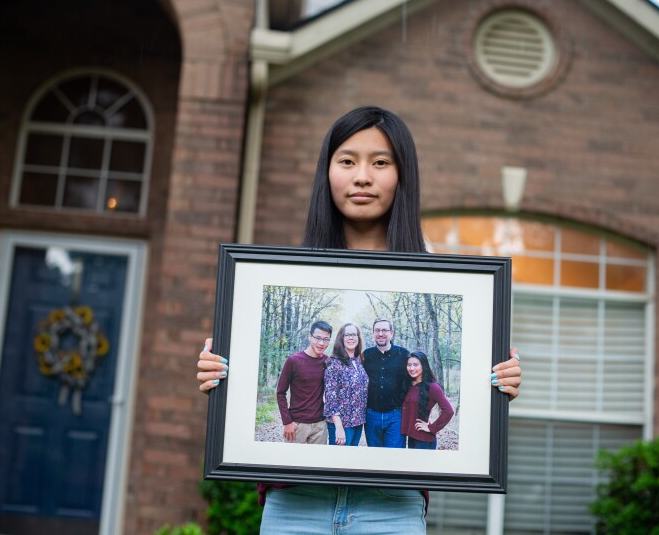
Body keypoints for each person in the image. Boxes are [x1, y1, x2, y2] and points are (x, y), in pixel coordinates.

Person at [197, 106, 522, 534]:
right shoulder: (279, 273)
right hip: (295, 499)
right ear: (327, 172)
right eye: (347, 161)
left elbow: (425, 385)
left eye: (381, 162)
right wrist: (222, 375)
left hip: (392, 504)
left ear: (402, 175)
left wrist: (495, 384)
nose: (363, 176)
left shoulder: (444, 280)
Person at [274, 320, 332, 444]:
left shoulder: (328, 362)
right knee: (292, 462)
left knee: (317, 463)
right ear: (309, 337)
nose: (322, 343)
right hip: (297, 424)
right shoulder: (293, 361)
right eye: (318, 338)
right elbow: (280, 392)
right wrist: (287, 422)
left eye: (326, 339)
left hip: (320, 425)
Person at [362, 317, 410, 448]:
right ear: (373, 333)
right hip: (371, 415)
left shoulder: (403, 354)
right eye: (377, 330)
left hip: (396, 415)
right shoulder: (365, 356)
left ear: (391, 333)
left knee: (394, 458)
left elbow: (414, 381)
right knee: (375, 458)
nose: (381, 333)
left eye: (384, 330)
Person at [323, 322, 368, 446]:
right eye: (347, 335)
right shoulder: (334, 363)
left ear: (358, 338)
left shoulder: (359, 361)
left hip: (358, 422)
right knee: (338, 462)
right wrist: (339, 427)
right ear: (341, 338)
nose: (351, 338)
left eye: (354, 334)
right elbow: (331, 399)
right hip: (342, 425)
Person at [401, 351, 454, 450]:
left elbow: (449, 411)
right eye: (409, 365)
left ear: (423, 365)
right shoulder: (408, 384)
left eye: (416, 365)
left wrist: (431, 427)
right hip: (412, 438)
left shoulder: (433, 387)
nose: (412, 368)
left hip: (424, 440)